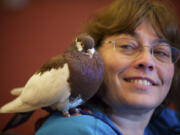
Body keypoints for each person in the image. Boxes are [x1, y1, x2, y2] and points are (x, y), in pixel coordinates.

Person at [35, 0, 180, 134]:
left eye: (161, 52)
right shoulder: (74, 130)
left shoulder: (167, 124)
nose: (147, 61)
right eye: (127, 46)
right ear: (91, 58)